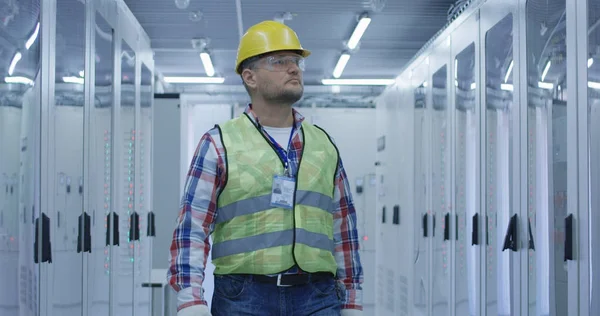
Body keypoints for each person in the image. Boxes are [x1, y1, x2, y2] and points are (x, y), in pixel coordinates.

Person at [167, 20, 364, 316]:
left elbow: (343, 227)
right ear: (250, 77)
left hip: (318, 296)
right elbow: (192, 227)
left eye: (296, 61)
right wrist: (190, 298)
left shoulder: (323, 145)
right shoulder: (219, 143)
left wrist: (351, 299)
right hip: (244, 297)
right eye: (279, 61)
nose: (294, 68)